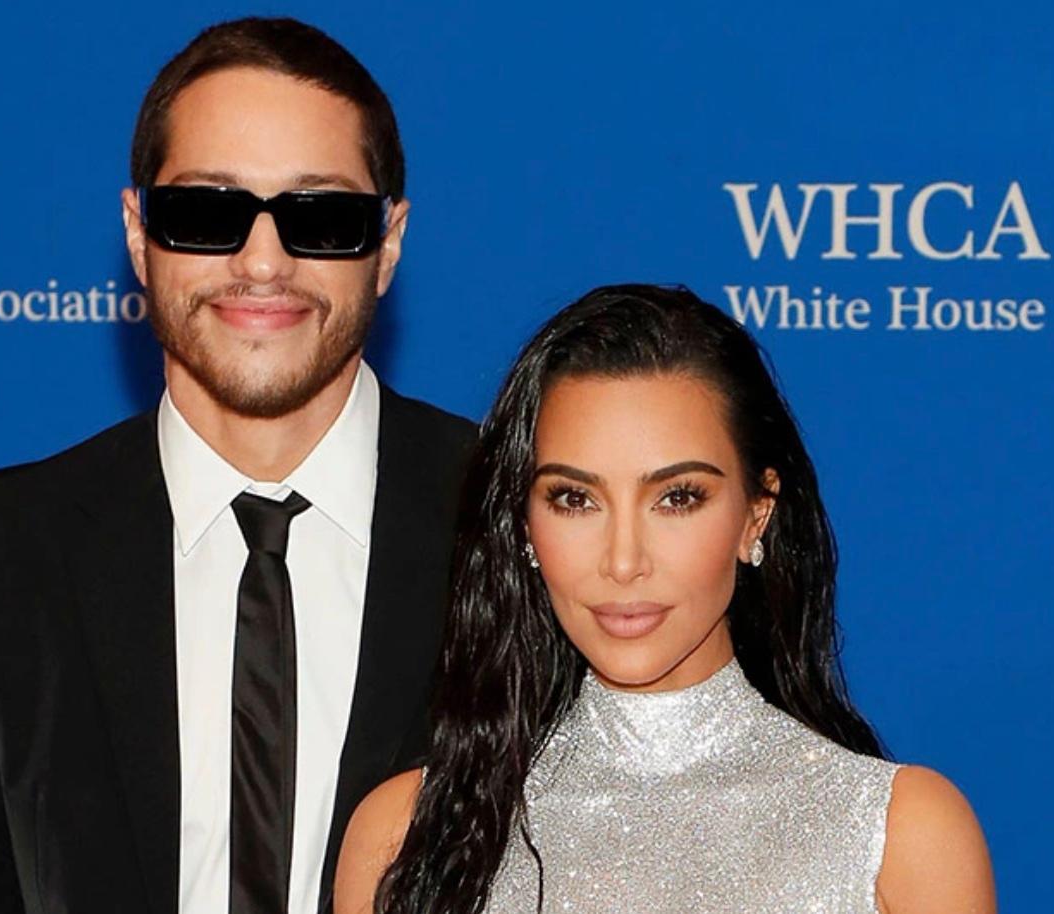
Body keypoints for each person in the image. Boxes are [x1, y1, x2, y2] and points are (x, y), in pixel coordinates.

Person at [0, 17, 476, 914]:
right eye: (207, 212)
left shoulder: (510, 515)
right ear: (137, 231)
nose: (262, 262)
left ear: (387, 243)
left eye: (321, 217)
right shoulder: (8, 542)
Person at [334, 285, 995, 914]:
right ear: (524, 524)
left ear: (755, 515)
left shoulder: (897, 836)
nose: (624, 562)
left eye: (677, 498)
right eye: (575, 498)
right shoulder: (406, 837)